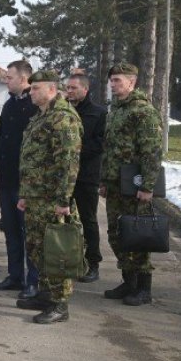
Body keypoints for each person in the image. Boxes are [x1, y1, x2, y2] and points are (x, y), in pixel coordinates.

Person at [15, 70, 83, 323]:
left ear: (52, 89)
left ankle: (60, 304)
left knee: (56, 251)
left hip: (52, 200)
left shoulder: (63, 119)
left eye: (36, 89)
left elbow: (68, 163)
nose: (31, 92)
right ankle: (46, 294)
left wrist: (63, 200)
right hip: (35, 197)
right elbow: (31, 160)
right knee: (37, 249)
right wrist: (25, 194)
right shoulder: (40, 117)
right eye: (31, 88)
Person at [100, 63, 163, 306]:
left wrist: (147, 186)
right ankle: (129, 281)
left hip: (136, 187)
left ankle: (144, 288)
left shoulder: (142, 111)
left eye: (117, 80)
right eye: (111, 80)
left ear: (131, 82)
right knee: (117, 234)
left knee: (139, 235)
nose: (112, 85)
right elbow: (110, 150)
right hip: (117, 186)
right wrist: (105, 181)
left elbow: (151, 152)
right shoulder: (116, 110)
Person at [0, 60, 41, 299]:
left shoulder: (34, 105)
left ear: (23, 79)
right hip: (6, 179)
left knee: (30, 233)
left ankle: (33, 282)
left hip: (25, 181)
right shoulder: (9, 104)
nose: (6, 80)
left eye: (9, 77)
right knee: (11, 232)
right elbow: (0, 137)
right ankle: (15, 276)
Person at [65, 72, 107, 283]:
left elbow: (100, 144)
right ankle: (67, 259)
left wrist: (74, 149)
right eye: (67, 88)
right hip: (63, 177)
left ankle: (93, 263)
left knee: (88, 220)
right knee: (63, 220)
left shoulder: (99, 113)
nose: (69, 91)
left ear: (85, 89)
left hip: (86, 176)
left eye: (73, 88)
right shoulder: (62, 111)